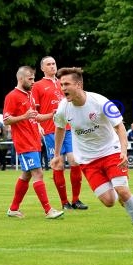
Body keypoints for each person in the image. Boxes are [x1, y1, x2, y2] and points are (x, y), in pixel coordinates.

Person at [50, 67, 133, 241]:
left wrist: (124, 152)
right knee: (109, 201)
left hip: (111, 152)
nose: (63, 88)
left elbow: (120, 127)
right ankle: (120, 195)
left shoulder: (100, 102)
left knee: (123, 191)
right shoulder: (63, 108)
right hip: (88, 160)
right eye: (61, 84)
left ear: (79, 85)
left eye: (67, 84)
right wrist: (57, 155)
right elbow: (59, 129)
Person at [4, 66, 64, 219]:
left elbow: (35, 117)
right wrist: (24, 116)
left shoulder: (29, 96)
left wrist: (52, 114)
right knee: (38, 173)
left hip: (34, 141)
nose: (33, 82)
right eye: (30, 79)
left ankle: (13, 209)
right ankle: (49, 210)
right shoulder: (12, 96)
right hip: (24, 143)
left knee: (26, 175)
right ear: (21, 78)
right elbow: (6, 120)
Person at [32, 56, 87, 210]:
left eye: (54, 63)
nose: (52, 66)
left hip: (70, 127)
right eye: (48, 64)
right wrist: (38, 125)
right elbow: (34, 113)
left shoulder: (63, 82)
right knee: (59, 164)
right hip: (50, 129)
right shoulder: (37, 86)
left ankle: (76, 200)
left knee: (75, 160)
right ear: (42, 68)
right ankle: (64, 202)